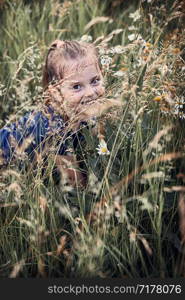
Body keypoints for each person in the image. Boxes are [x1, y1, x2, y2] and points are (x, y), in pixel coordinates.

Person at [0, 39, 121, 187]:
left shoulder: (80, 111)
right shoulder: (54, 129)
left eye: (95, 80)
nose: (90, 93)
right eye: (77, 86)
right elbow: (78, 185)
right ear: (55, 92)